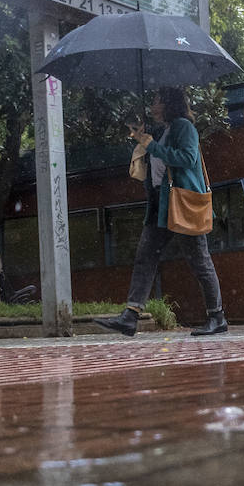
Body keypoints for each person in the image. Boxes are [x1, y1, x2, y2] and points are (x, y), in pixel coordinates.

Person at [96, 87, 227, 337]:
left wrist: (153, 146)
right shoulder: (167, 129)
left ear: (168, 104)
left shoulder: (183, 127)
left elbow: (187, 159)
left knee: (199, 259)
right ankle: (130, 315)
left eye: (156, 101)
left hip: (181, 202)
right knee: (145, 256)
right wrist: (144, 142)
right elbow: (159, 162)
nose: (153, 106)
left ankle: (217, 316)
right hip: (161, 203)